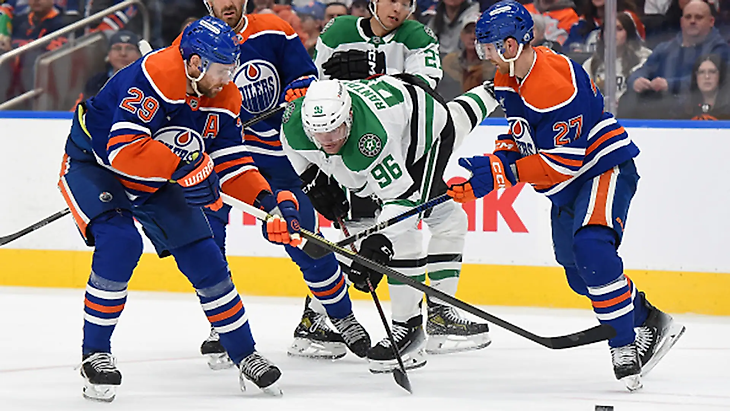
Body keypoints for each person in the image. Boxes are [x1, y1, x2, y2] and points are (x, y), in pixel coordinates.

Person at [58, 17, 302, 401]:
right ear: (195, 63)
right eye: (221, 69)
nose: (228, 79)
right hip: (97, 166)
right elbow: (123, 151)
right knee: (121, 244)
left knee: (206, 257)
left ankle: (245, 353)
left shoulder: (224, 95)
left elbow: (232, 162)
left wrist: (267, 203)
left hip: (157, 178)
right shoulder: (156, 74)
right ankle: (96, 354)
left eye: (231, 68)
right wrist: (186, 166)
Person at [449, 0, 686, 391]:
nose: (484, 54)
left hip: (601, 169)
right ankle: (648, 318)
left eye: (489, 46)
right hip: (566, 187)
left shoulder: (554, 83)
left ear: (511, 45)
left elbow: (562, 163)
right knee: (579, 275)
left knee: (592, 251)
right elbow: (522, 136)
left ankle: (624, 344)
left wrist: (500, 175)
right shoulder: (510, 76)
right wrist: (491, 166)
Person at [280, 75, 500, 372]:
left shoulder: (371, 140)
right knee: (385, 227)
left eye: (335, 129)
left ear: (349, 115)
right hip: (397, 108)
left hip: (420, 134)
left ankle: (409, 328)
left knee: (409, 231)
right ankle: (318, 317)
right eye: (319, 133)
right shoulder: (294, 123)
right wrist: (312, 181)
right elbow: (296, 150)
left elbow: (402, 202)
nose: (328, 140)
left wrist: (378, 244)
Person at [312, 0, 492, 357]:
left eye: (406, 2)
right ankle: (317, 318)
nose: (398, 8)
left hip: (406, 146)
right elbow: (316, 96)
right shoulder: (337, 32)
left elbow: (420, 94)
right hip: (356, 148)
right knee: (367, 233)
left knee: (445, 220)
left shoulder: (418, 36)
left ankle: (438, 314)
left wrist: (371, 75)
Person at [198, 0, 371, 366]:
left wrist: (299, 89)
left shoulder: (273, 29)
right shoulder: (195, 40)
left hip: (279, 156)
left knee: (302, 237)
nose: (228, 3)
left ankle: (341, 315)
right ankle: (222, 326)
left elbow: (305, 76)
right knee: (208, 245)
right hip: (223, 158)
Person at [621, 0, 730, 119]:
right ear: (682, 22)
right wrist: (637, 80)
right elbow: (644, 70)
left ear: (711, 21)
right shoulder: (665, 48)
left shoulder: (719, 48)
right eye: (688, 17)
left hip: (696, 111)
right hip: (662, 109)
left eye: (699, 17)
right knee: (629, 98)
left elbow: (709, 80)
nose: (692, 21)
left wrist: (669, 84)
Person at [582, 12, 652, 104]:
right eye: (608, 29)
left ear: (629, 34)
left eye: (619, 29)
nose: (612, 33)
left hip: (631, 110)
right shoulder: (592, 63)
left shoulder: (643, 60)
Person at [76, 31, 143, 103]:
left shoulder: (146, 81)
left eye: (129, 48)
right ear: (109, 54)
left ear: (139, 54)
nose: (123, 53)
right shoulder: (97, 81)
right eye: (117, 48)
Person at [672, 53, 730, 119]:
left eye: (712, 72)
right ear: (696, 76)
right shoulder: (683, 107)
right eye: (702, 72)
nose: (707, 77)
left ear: (720, 75)